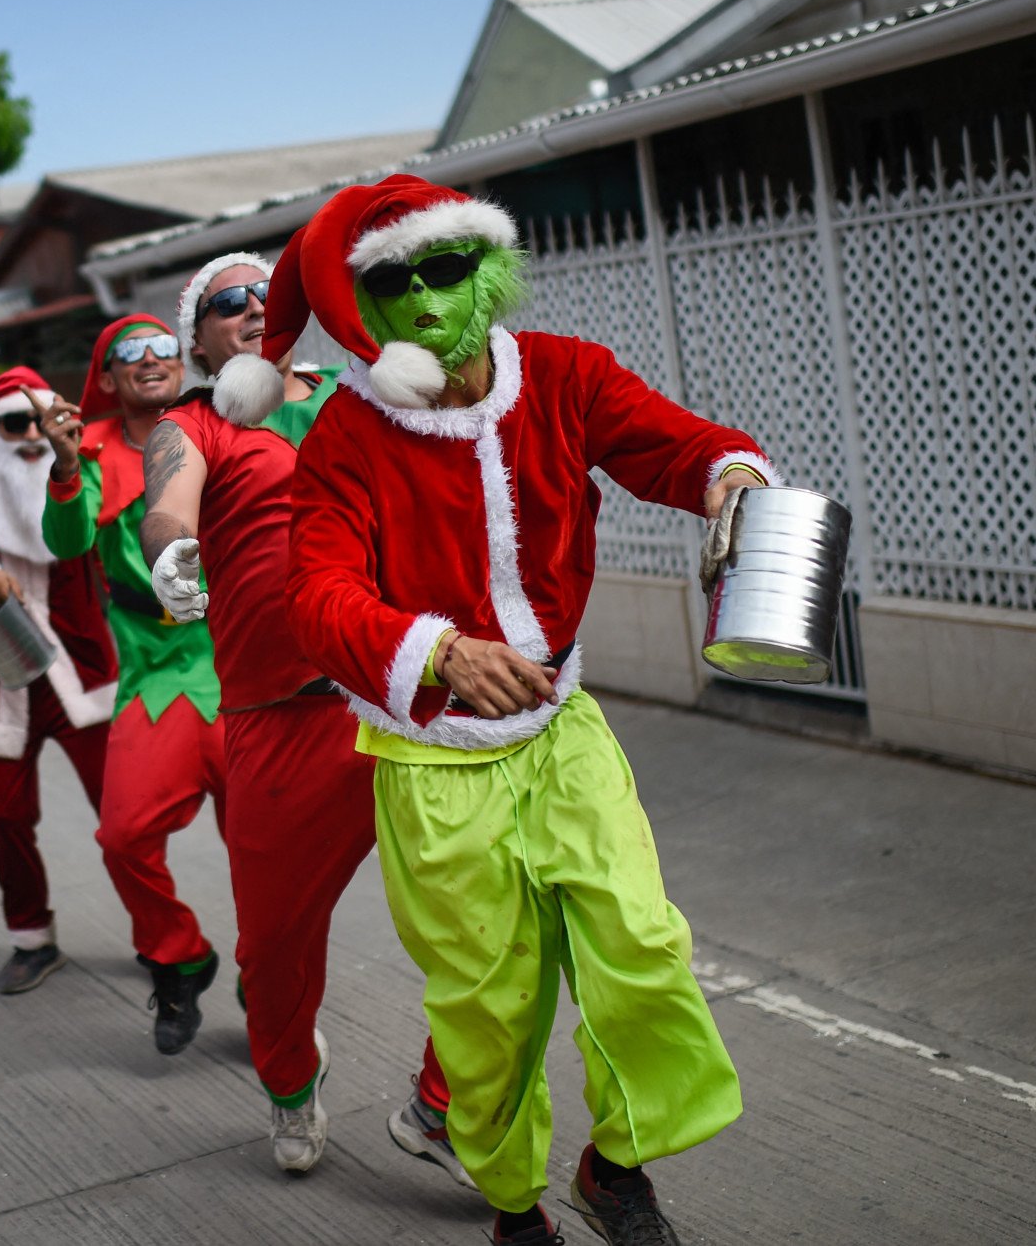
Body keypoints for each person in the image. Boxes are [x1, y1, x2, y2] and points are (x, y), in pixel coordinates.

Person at [252, 175, 775, 1245]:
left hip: (562, 732)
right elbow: (314, 593)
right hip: (433, 761)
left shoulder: (568, 376)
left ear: (486, 270)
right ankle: (509, 1205)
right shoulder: (345, 437)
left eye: (445, 266)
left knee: (642, 948)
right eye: (394, 279)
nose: (426, 297)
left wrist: (725, 477)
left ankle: (614, 1163)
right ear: (367, 310)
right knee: (489, 1012)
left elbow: (670, 444)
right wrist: (435, 648)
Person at [139, 254, 464, 1186]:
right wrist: (171, 554)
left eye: (264, 295)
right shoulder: (191, 424)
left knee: (479, 910)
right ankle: (291, 1080)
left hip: (399, 696)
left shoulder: (360, 394)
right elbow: (167, 505)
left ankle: (446, 1103)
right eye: (225, 303)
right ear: (198, 337)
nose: (250, 310)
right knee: (273, 951)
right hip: (277, 723)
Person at [33, 314, 227, 1055]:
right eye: (129, 354)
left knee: (268, 845)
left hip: (242, 659)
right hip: (156, 669)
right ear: (108, 378)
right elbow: (69, 541)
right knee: (123, 834)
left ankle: (269, 976)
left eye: (163, 348)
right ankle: (177, 955)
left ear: (184, 360)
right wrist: (60, 461)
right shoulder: (90, 452)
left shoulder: (223, 424)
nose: (150, 360)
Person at [0, 366, 117, 996]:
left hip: (82, 673)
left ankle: (162, 942)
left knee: (124, 818)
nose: (32, 435)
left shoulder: (81, 462)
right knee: (7, 816)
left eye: (40, 420)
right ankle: (31, 937)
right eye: (15, 423)